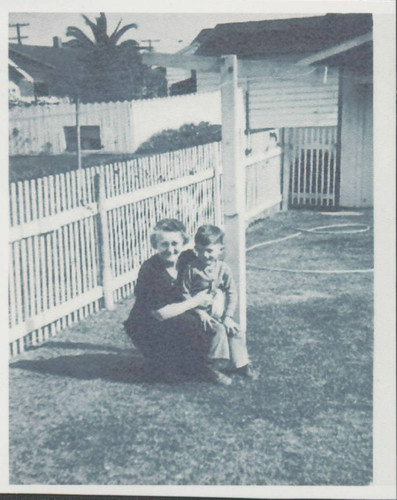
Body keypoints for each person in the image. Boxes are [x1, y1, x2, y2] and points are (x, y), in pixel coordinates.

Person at [123, 219, 233, 385]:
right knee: (190, 325)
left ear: (184, 243)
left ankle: (198, 364)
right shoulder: (150, 270)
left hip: (177, 315)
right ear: (155, 245)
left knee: (200, 322)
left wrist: (217, 295)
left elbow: (214, 266)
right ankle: (196, 368)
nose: (170, 249)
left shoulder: (188, 259)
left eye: (175, 243)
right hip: (147, 325)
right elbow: (159, 313)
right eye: (164, 244)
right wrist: (196, 301)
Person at [179, 224, 257, 379]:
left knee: (234, 329)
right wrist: (199, 312)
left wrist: (228, 317)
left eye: (209, 251)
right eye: (200, 250)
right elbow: (184, 293)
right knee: (219, 331)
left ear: (220, 249)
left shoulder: (223, 268)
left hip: (217, 311)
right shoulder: (191, 269)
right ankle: (214, 365)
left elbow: (232, 293)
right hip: (197, 313)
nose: (204, 255)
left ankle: (241, 364)